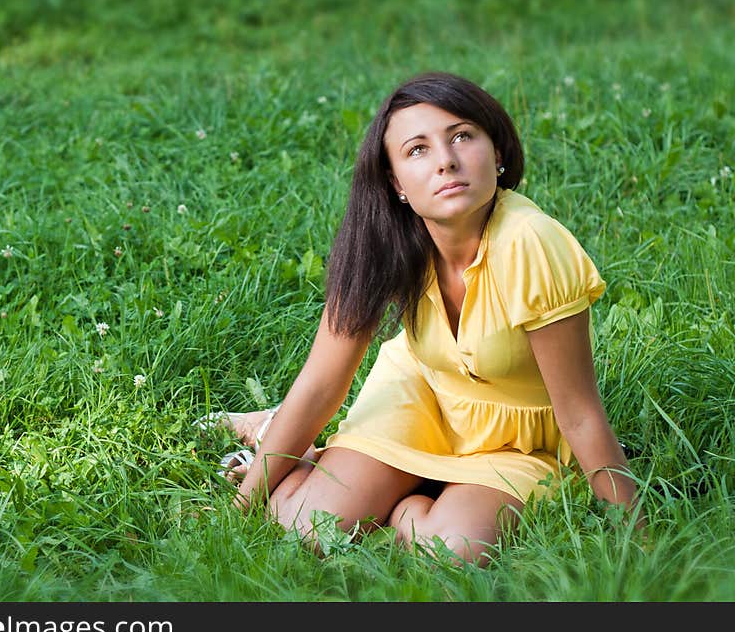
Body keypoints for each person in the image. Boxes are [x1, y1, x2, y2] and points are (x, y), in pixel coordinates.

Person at [202, 71, 645, 566]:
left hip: (517, 443)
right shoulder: (384, 239)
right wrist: (244, 507)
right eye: (417, 150)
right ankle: (283, 437)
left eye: (461, 136)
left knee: (450, 552)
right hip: (421, 395)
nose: (446, 161)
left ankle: (398, 488)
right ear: (396, 184)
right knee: (309, 527)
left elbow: (581, 411)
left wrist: (639, 541)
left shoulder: (531, 242)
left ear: (497, 152)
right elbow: (322, 384)